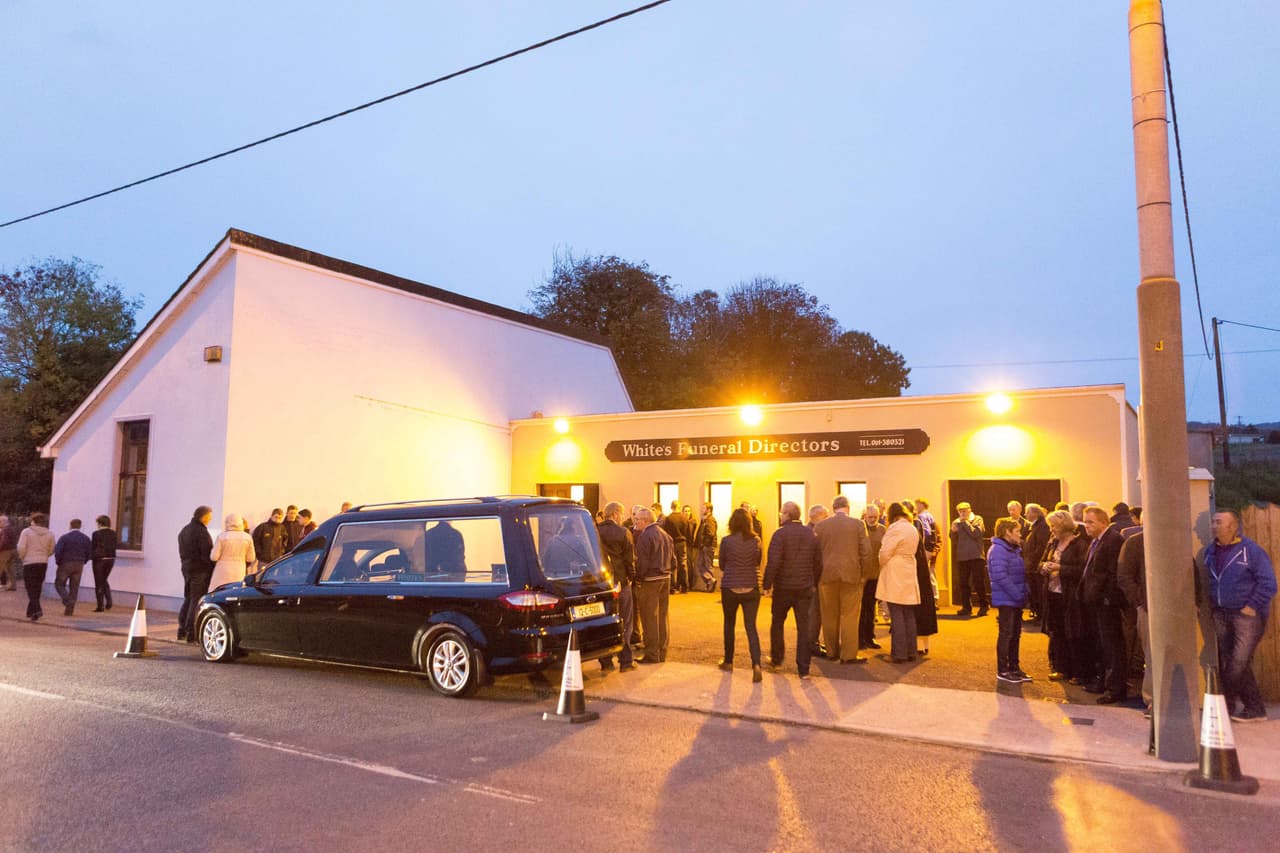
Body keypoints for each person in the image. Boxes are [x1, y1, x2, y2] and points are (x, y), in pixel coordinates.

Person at [1199, 510, 1277, 722]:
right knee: (1232, 661)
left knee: (1237, 662)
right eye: (1213, 522)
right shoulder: (1210, 551)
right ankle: (1255, 709)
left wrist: (1251, 606)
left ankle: (1225, 706)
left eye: (1219, 522)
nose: (1214, 526)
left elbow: (1269, 583)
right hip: (1221, 613)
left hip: (1246, 616)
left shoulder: (1250, 551)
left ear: (1233, 526)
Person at [763, 501, 822, 678]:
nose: (780, 515)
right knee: (803, 627)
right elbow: (818, 562)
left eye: (782, 513)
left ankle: (777, 660)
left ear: (787, 515)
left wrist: (767, 584)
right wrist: (813, 582)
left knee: (777, 622)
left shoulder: (779, 534)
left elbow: (773, 561)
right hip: (804, 587)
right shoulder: (811, 534)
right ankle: (804, 668)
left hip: (783, 587)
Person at [815, 495, 871, 664]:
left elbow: (815, 552)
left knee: (829, 615)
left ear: (833, 508)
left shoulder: (821, 525)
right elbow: (866, 552)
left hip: (826, 575)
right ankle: (848, 655)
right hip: (851, 575)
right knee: (849, 615)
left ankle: (831, 651)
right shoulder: (858, 524)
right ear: (848, 507)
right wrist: (864, 575)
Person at [1081, 506, 1128, 704]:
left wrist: (1107, 597)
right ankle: (1103, 681)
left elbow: (1112, 573)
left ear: (1103, 522)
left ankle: (1115, 688)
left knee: (1112, 645)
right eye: (1085, 522)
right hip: (1096, 600)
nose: (1086, 526)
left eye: (1090, 522)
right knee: (1102, 644)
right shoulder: (1096, 541)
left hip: (1106, 602)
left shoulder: (1113, 540)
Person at [1040, 510, 1088, 682]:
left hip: (1070, 595)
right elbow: (1042, 562)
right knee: (1057, 632)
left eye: (1054, 526)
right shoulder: (1052, 543)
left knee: (1073, 633)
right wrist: (1044, 567)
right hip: (1053, 593)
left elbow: (1082, 570)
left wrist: (1060, 568)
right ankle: (1061, 669)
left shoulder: (1078, 545)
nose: (1051, 530)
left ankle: (1079, 672)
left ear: (1064, 526)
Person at [718, 507, 764, 682]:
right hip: (751, 586)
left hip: (730, 586)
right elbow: (757, 561)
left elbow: (722, 564)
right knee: (751, 627)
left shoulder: (726, 541)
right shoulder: (756, 540)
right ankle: (756, 664)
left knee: (729, 624)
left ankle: (729, 661)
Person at [877, 503, 921, 663]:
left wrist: (881, 563)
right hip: (909, 568)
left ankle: (898, 653)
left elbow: (885, 551)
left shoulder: (895, 528)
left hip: (896, 569)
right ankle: (911, 651)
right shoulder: (912, 527)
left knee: (896, 613)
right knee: (908, 613)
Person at [989, 518, 1030, 683]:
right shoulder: (999, 550)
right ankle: (1003, 670)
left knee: (1015, 634)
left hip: (1015, 598)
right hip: (1007, 599)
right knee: (1006, 634)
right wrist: (1017, 594)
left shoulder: (1013, 549)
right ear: (1007, 532)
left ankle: (1014, 667)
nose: (1020, 534)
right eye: (1017, 531)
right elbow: (1000, 576)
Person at [596, 502, 636, 672]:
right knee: (626, 621)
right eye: (621, 514)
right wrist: (632, 578)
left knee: (605, 621)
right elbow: (629, 560)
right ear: (615, 514)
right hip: (621, 581)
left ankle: (605, 661)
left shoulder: (595, 532)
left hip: (602, 583)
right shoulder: (623, 533)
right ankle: (625, 660)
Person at [633, 507, 673, 664]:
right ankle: (662, 652)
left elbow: (643, 563)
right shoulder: (666, 535)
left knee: (649, 617)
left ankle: (651, 654)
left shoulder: (645, 536)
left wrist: (638, 579)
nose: (636, 523)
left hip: (651, 580)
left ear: (645, 520)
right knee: (662, 617)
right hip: (666, 577)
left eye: (637, 520)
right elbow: (674, 560)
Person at [1116, 529, 1151, 710]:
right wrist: (1140, 601)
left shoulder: (1173, 538)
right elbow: (1124, 576)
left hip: (1173, 609)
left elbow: (1189, 568)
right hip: (1147, 608)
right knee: (1151, 653)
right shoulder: (1135, 543)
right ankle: (1151, 699)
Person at [905, 500, 939, 657]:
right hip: (921, 566)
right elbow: (932, 539)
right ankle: (923, 644)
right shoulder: (925, 519)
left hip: (916, 567)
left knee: (916, 605)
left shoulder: (916, 523)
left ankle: (917, 644)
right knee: (924, 602)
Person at [178, 507, 216, 642]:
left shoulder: (185, 530)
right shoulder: (201, 532)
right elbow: (206, 553)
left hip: (186, 567)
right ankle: (191, 631)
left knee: (188, 597)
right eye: (209, 516)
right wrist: (210, 567)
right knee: (196, 599)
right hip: (199, 569)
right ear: (203, 516)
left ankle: (181, 628)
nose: (210, 519)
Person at [951, 502, 988, 616]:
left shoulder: (977, 519)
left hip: (976, 556)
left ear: (970, 510)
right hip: (962, 557)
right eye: (960, 511)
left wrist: (965, 522)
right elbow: (953, 538)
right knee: (963, 583)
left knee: (978, 583)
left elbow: (976, 534)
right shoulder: (956, 522)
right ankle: (966, 607)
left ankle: (983, 606)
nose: (962, 513)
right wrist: (952, 531)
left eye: (964, 511)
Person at [17, 512, 55, 621]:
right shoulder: (50, 533)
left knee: (30, 587)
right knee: (37, 586)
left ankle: (37, 609)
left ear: (33, 521)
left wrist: (23, 557)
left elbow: (21, 547)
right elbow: (52, 549)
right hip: (43, 562)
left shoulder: (26, 532)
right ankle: (32, 612)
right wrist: (45, 556)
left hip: (29, 562)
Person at [859, 504, 886, 650]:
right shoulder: (859, 529)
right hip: (861, 576)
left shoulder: (882, 530)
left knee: (870, 608)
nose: (872, 519)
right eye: (870, 517)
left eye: (875, 517)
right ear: (865, 516)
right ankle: (859, 638)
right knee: (860, 609)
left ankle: (870, 637)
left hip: (875, 575)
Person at [53, 518, 92, 616]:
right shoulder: (86, 538)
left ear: (70, 525)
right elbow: (89, 552)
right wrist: (84, 561)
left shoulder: (65, 537)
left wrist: (58, 562)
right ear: (80, 526)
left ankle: (67, 600)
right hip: (79, 564)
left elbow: (58, 551)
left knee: (59, 584)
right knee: (74, 587)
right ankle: (69, 610)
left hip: (65, 563)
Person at [805, 504, 830, 657]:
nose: (827, 519)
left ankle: (812, 642)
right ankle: (811, 643)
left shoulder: (811, 531)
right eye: (825, 516)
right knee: (814, 613)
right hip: (812, 579)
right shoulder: (812, 533)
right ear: (817, 517)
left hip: (812, 578)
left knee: (814, 612)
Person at [1022, 503, 1051, 624]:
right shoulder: (1033, 526)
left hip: (1035, 565)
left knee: (1039, 592)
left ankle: (1041, 616)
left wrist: (1032, 561)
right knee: (1034, 591)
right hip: (1031, 564)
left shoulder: (1042, 526)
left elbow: (1041, 546)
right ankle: (1038, 614)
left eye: (1027, 512)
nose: (1025, 514)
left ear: (1035, 513)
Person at [662, 499, 691, 593]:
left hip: (672, 543)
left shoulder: (668, 518)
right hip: (682, 543)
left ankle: (672, 587)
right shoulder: (684, 518)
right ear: (679, 506)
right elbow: (688, 533)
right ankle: (685, 586)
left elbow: (665, 532)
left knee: (673, 565)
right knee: (683, 564)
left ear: (671, 507)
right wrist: (688, 542)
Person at [915, 498, 941, 602]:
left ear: (922, 505)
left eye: (917, 504)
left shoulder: (922, 518)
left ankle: (933, 599)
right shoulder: (930, 518)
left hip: (927, 551)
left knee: (930, 576)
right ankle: (931, 599)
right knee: (929, 576)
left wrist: (932, 551)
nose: (916, 507)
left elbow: (929, 534)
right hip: (929, 551)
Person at [90, 515, 117, 612]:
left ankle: (100, 606)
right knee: (104, 579)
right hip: (111, 559)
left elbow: (93, 547)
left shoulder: (96, 534)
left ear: (100, 523)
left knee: (98, 582)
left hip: (99, 560)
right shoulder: (113, 533)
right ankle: (109, 601)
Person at [694, 503, 718, 592]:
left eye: (703, 508)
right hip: (703, 546)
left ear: (709, 510)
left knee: (707, 565)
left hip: (707, 546)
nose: (701, 510)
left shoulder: (710, 520)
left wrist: (705, 544)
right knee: (700, 565)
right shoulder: (704, 520)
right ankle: (710, 580)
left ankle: (710, 582)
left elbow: (711, 533)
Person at [0, 515, 19, 591]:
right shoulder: (11, 528)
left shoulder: (5, 529)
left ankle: (11, 586)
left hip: (5, 551)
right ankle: (13, 585)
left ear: (3, 521)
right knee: (10, 569)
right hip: (13, 550)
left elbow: (4, 542)